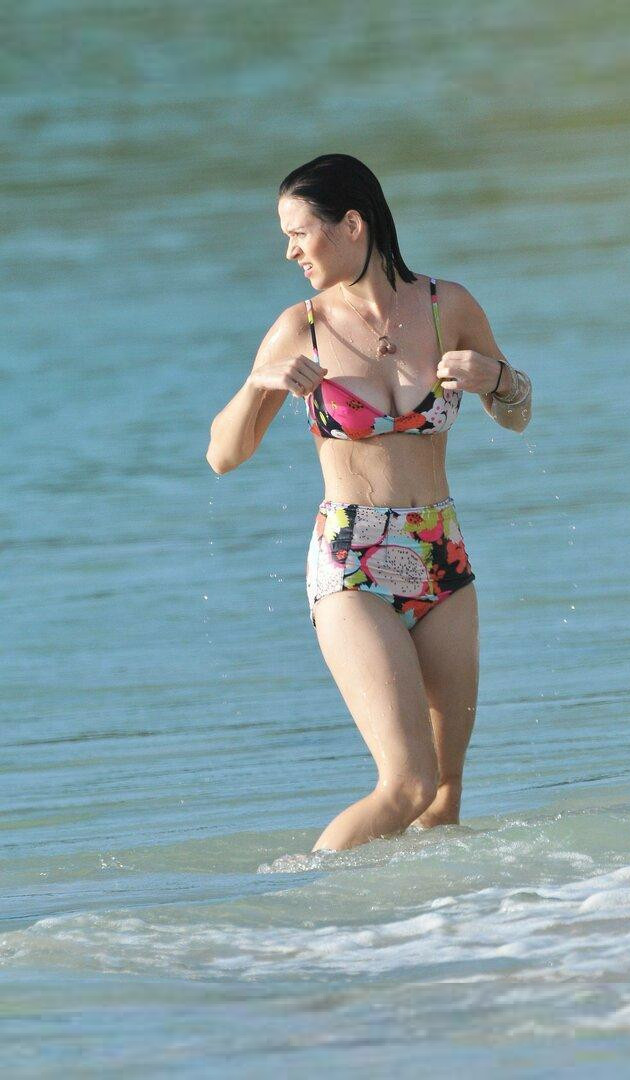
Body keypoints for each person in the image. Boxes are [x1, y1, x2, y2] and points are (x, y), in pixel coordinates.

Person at [206, 154, 532, 853]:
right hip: (352, 560)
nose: (290, 251)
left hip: (440, 550)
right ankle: (306, 895)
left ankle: (429, 920)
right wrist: (260, 383)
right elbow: (223, 456)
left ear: (352, 224)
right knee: (406, 785)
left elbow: (517, 415)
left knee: (443, 797)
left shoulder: (450, 307)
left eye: (299, 233)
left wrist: (498, 378)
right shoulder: (300, 328)